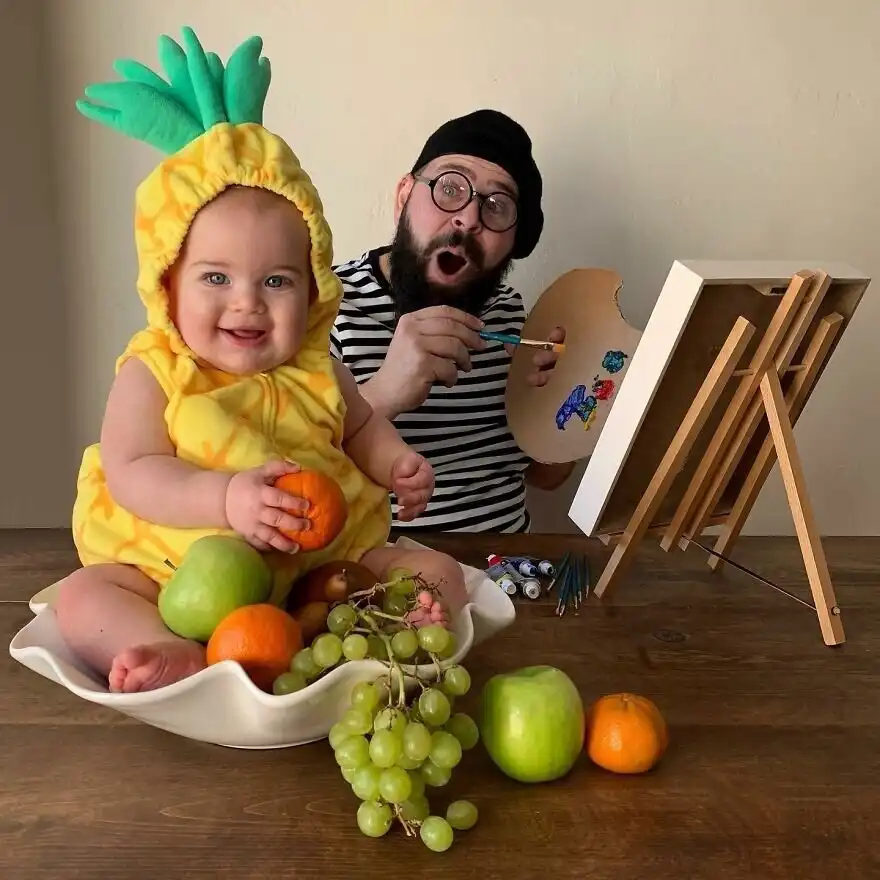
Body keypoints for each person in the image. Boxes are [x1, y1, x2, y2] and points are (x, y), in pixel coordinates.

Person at [53, 28, 465, 695]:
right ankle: (166, 649)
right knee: (82, 597)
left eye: (276, 280)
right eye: (216, 278)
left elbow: (360, 426)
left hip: (324, 579)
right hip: (176, 575)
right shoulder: (156, 371)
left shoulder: (318, 368)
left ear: (313, 288)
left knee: (437, 572)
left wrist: (396, 463)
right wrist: (223, 498)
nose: (246, 303)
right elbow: (131, 471)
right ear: (168, 283)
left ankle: (387, 631)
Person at [332, 109, 574, 533]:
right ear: (404, 196)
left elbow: (547, 478)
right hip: (378, 568)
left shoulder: (511, 316)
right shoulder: (322, 307)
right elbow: (276, 474)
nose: (469, 219)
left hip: (508, 567)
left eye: (497, 206)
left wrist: (559, 405)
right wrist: (382, 394)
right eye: (449, 188)